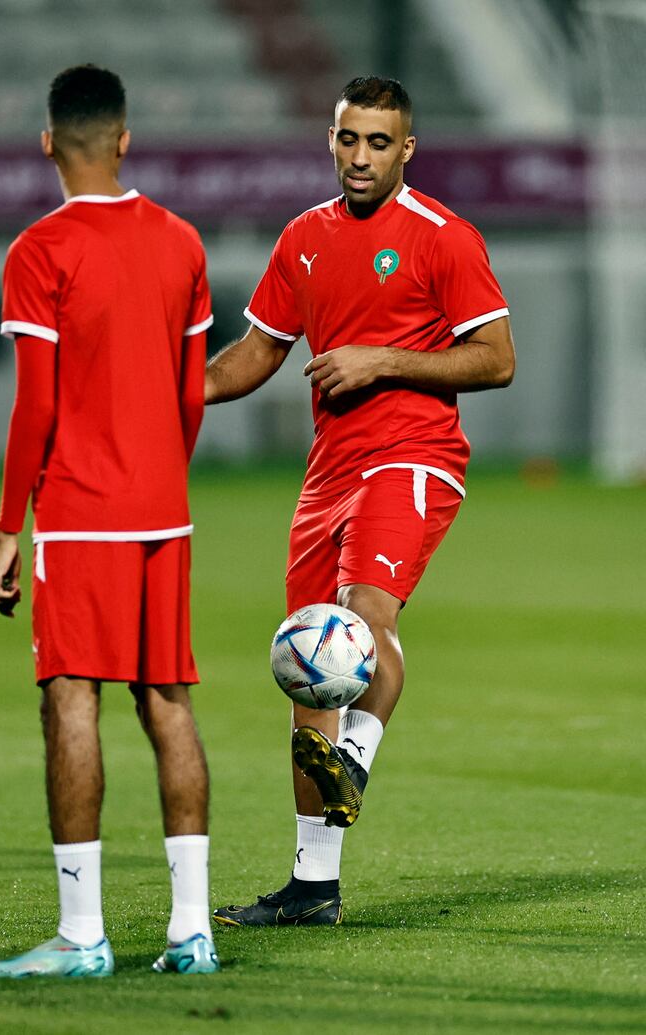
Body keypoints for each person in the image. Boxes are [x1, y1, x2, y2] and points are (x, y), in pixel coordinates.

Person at [206, 76, 515, 927]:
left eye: (380, 143)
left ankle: (360, 759)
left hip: (413, 456)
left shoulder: (443, 237)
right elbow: (258, 352)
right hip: (327, 474)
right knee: (309, 667)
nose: (361, 156)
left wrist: (383, 360)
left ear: (406, 149)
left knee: (359, 615)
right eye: (349, 140)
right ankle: (314, 886)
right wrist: (181, 392)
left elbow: (495, 358)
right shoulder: (304, 237)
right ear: (331, 139)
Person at [0, 64, 218, 976]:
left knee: (70, 699)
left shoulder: (39, 251)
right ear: (124, 138)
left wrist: (11, 524)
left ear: (48, 142)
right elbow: (190, 395)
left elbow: (32, 408)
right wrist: (161, 472)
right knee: (168, 705)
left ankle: (83, 936)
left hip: (79, 516)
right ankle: (190, 933)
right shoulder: (183, 241)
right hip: (165, 510)